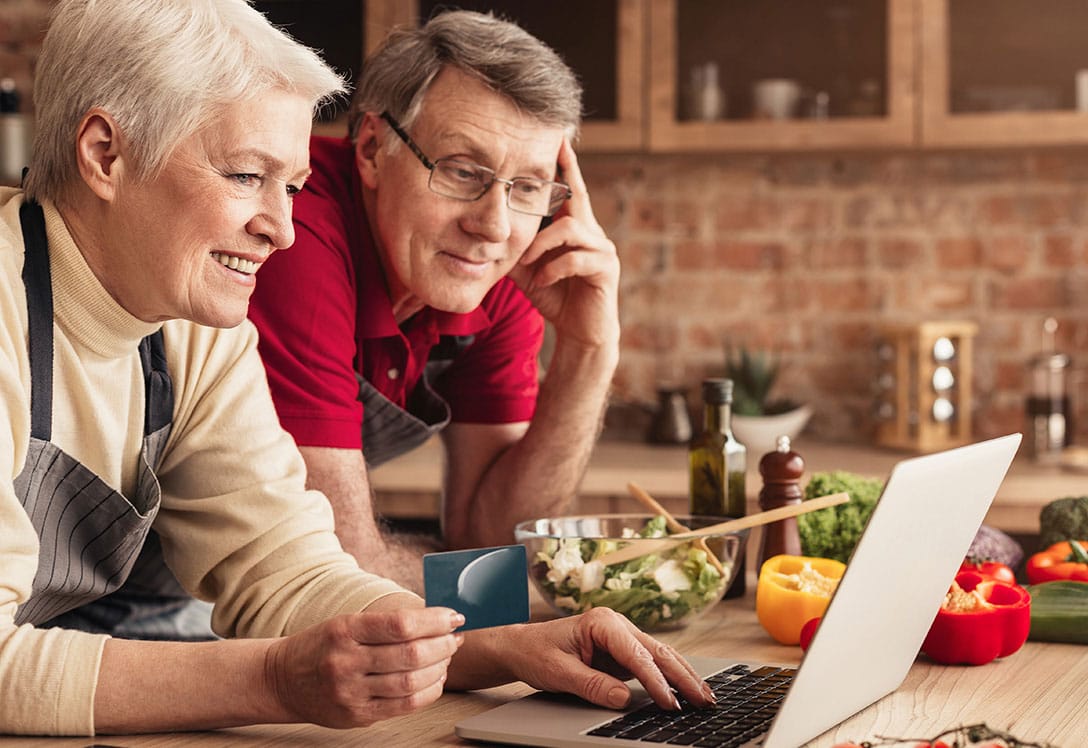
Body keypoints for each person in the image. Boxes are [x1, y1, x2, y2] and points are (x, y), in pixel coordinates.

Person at [0, 0, 714, 736]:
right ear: (105, 155)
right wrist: (277, 678)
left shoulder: (193, 324)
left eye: (292, 186)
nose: (279, 230)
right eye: (247, 175)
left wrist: (506, 645)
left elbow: (288, 567)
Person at [247, 10, 621, 591]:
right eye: (463, 171)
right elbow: (341, 570)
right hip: (119, 603)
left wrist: (589, 348)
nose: (494, 226)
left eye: (526, 187)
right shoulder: (297, 230)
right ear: (372, 147)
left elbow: (494, 536)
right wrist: (500, 594)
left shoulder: (499, 267)